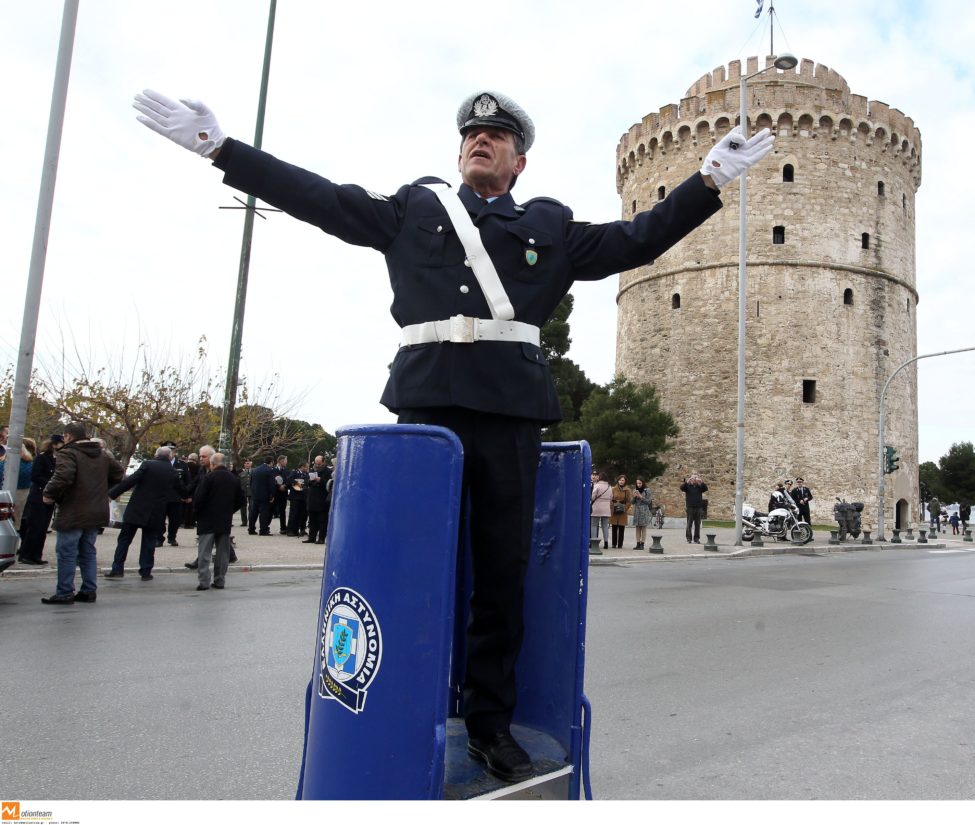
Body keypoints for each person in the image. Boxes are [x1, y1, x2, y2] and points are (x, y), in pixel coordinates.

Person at [133, 85, 771, 784]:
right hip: (426, 409)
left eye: (496, 136)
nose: (480, 140)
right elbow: (321, 199)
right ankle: (405, 703)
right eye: (472, 134)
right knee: (413, 569)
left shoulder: (551, 225)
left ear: (519, 161)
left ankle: (491, 724)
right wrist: (223, 149)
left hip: (510, 415)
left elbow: (636, 240)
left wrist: (708, 180)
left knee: (501, 574)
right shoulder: (417, 208)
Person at [39, 422, 124, 604]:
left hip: (73, 510)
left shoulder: (68, 453)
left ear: (68, 436)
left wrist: (48, 493)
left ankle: (64, 592)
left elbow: (64, 476)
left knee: (67, 553)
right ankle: (89, 590)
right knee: (87, 551)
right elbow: (118, 473)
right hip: (95, 510)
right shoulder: (101, 454)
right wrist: (100, 489)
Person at [104, 446, 187, 581]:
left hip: (136, 508)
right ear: (170, 457)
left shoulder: (148, 465)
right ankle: (146, 571)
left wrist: (112, 494)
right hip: (155, 511)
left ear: (156, 455)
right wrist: (188, 496)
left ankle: (117, 569)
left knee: (124, 540)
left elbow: (130, 481)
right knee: (149, 542)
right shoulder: (172, 471)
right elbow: (181, 489)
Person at [192, 452, 246, 591]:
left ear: (213, 464)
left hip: (207, 519)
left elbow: (199, 498)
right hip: (224, 520)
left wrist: (197, 514)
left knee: (204, 552)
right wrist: (229, 510)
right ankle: (220, 580)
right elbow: (241, 500)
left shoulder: (208, 477)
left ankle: (204, 581)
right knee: (222, 553)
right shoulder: (234, 479)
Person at [18, 434, 63, 565]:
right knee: (35, 527)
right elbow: (36, 476)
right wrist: (51, 483)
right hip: (38, 496)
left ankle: (37, 554)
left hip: (50, 497)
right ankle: (26, 554)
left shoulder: (57, 459)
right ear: (54, 445)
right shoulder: (42, 458)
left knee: (43, 528)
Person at [158, 442, 190, 547]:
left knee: (175, 520)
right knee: (159, 519)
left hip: (177, 497)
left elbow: (187, 481)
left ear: (175, 452)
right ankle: (159, 538)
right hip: (161, 497)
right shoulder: (158, 463)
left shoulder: (182, 464)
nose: (170, 452)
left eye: (172, 450)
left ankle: (172, 537)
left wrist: (187, 495)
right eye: (168, 450)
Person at [304, 455, 332, 544]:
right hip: (312, 499)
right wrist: (311, 481)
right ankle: (311, 537)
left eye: (319, 464)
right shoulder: (312, 470)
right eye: (316, 463)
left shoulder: (329, 471)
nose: (317, 465)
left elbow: (330, 484)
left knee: (322, 521)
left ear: (323, 462)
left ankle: (321, 538)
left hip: (322, 500)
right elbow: (306, 482)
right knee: (312, 520)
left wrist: (321, 480)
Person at [248, 458, 276, 536]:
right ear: (271, 462)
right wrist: (272, 495)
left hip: (255, 494)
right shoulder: (269, 470)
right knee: (264, 513)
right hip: (265, 495)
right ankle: (263, 530)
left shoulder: (254, 470)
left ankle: (251, 529)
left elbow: (250, 482)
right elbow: (272, 484)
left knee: (253, 512)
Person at [680, 474, 708, 544]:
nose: (694, 479)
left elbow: (706, 488)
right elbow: (681, 488)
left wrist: (701, 481)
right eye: (693, 478)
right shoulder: (688, 486)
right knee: (689, 523)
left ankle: (696, 538)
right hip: (690, 507)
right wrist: (687, 482)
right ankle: (689, 538)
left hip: (698, 507)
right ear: (691, 479)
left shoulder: (699, 487)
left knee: (697, 524)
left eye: (696, 478)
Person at [589, 471, 612, 550]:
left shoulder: (597, 485)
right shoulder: (609, 486)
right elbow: (611, 497)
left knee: (594, 525)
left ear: (600, 478)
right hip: (606, 508)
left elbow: (592, 497)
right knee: (605, 526)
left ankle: (594, 543)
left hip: (597, 507)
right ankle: (606, 543)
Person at [286, 461, 309, 537]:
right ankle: (291, 530)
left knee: (302, 514)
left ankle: (301, 529)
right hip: (295, 497)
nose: (307, 468)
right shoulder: (294, 473)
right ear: (302, 466)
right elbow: (289, 481)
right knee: (294, 514)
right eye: (306, 467)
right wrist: (298, 484)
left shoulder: (306, 474)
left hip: (303, 497)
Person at [630, 478, 653, 551]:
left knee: (643, 528)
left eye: (640, 483)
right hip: (637, 511)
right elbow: (632, 502)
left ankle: (642, 544)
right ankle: (637, 544)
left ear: (643, 483)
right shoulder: (635, 490)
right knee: (637, 528)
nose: (638, 485)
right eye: (637, 483)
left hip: (644, 510)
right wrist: (634, 497)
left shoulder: (647, 490)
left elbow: (648, 501)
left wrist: (641, 497)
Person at [610, 475, 631, 549]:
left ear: (625, 481)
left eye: (623, 480)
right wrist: (613, 506)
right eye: (620, 480)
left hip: (623, 511)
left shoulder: (627, 490)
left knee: (622, 528)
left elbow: (629, 501)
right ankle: (614, 544)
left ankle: (620, 544)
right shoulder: (613, 489)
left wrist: (624, 508)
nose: (621, 481)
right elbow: (610, 499)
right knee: (614, 527)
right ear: (618, 481)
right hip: (615, 510)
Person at [238, 458, 252, 527]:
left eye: (248, 463)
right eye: (245, 463)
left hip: (251, 492)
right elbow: (239, 483)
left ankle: (251, 521)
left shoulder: (254, 472)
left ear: (251, 463)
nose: (247, 464)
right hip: (243, 492)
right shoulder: (241, 473)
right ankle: (244, 522)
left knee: (251, 507)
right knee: (243, 507)